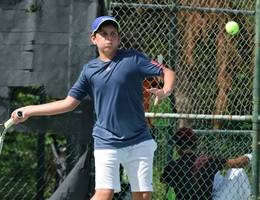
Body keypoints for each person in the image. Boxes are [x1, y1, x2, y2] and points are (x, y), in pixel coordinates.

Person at [11, 16, 176, 200]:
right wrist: (29, 110)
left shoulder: (133, 59)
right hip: (106, 140)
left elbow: (167, 72)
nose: (109, 38)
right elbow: (68, 103)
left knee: (143, 196)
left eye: (113, 34)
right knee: (104, 194)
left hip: (138, 139)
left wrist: (165, 90)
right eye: (104, 34)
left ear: (118, 39)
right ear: (94, 38)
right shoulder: (89, 71)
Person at [161, 127, 250, 200]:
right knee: (238, 172)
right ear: (195, 144)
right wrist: (250, 156)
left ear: (177, 147)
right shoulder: (207, 159)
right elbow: (238, 163)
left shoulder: (172, 166)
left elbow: (166, 186)